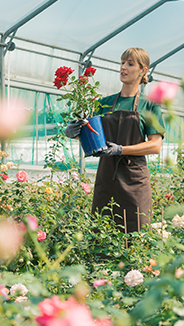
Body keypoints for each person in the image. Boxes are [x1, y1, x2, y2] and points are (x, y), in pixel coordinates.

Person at [65, 48, 166, 233]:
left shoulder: (149, 104)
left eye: (130, 63)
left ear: (143, 70)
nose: (123, 67)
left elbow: (155, 145)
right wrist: (75, 132)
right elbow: (93, 140)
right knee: (102, 231)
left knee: (137, 231)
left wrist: (121, 149)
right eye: (122, 62)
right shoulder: (103, 103)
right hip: (107, 175)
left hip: (134, 178)